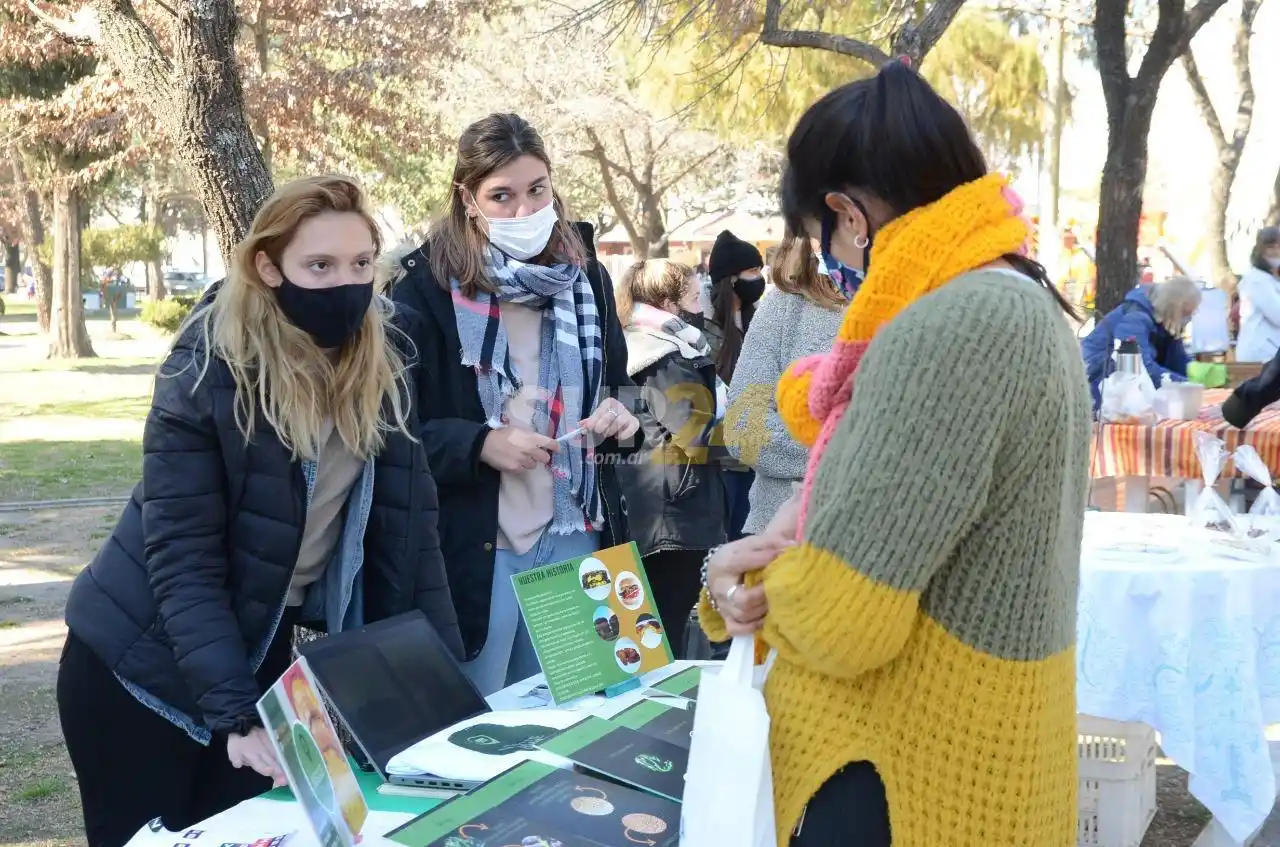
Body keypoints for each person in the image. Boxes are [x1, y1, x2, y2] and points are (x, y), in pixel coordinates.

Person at [697, 63, 1090, 846]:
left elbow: (846, 619)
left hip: (901, 772)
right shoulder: (1017, 298)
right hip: (972, 755)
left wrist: (749, 570)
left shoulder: (950, 324)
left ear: (847, 212)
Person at [58, 175, 463, 847]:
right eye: (320, 266)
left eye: (362, 263)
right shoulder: (209, 368)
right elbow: (183, 561)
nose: (346, 285)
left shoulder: (384, 367)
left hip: (255, 653)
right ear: (268, 267)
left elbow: (414, 543)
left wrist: (440, 692)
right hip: (139, 663)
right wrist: (236, 716)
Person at [388, 113, 640, 696]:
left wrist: (625, 416)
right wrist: (481, 444)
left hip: (576, 526)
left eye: (537, 191)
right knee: (479, 724)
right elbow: (392, 432)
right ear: (468, 199)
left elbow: (626, 394)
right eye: (501, 197)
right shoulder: (422, 287)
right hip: (476, 546)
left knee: (579, 717)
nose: (524, 213)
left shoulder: (587, 277)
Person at [613, 259, 727, 655]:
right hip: (675, 513)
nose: (702, 307)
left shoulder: (642, 346)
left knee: (654, 631)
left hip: (661, 507)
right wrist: (749, 441)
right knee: (664, 635)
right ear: (667, 303)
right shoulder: (665, 356)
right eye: (695, 298)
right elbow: (694, 431)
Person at [724, 234, 847, 534]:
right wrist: (842, 456)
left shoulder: (923, 303)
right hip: (783, 535)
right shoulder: (784, 307)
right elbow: (744, 425)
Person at [705, 229, 765, 540]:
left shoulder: (761, 319)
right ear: (731, 279)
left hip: (758, 449)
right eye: (753, 271)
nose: (759, 278)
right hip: (724, 457)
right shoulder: (705, 329)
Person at [1080, 276, 1200, 408]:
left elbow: (1176, 360)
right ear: (1174, 307)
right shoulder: (1136, 318)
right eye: (1186, 313)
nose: (1188, 318)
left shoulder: (1162, 318)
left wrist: (1193, 378)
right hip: (1099, 385)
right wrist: (1184, 385)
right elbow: (1137, 367)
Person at [1235, 226, 1280, 363]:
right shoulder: (1256, 280)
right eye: (1271, 247)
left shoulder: (1270, 280)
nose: (1276, 252)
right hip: (1260, 352)